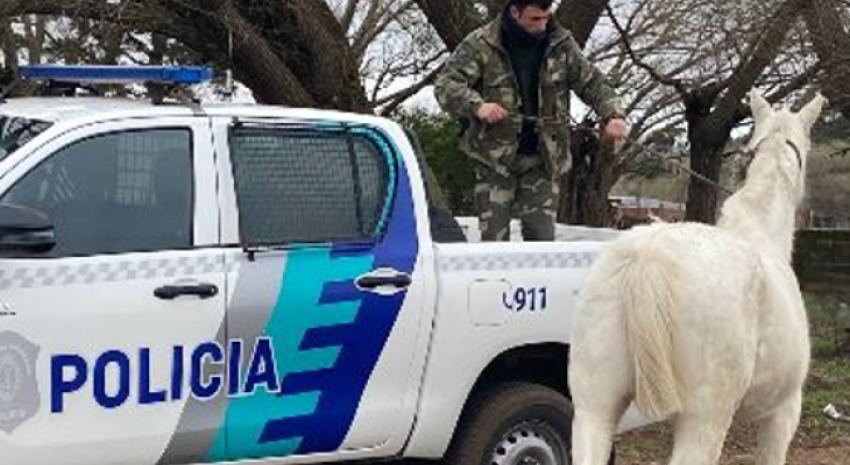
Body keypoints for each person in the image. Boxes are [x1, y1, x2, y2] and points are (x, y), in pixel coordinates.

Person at [434, 0, 629, 241]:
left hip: (543, 158)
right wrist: (478, 106)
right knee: (493, 239)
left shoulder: (561, 43)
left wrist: (613, 115)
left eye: (546, 18)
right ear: (515, 12)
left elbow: (593, 83)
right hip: (494, 158)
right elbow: (446, 85)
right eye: (535, 19)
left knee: (542, 237)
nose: (542, 25)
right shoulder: (482, 43)